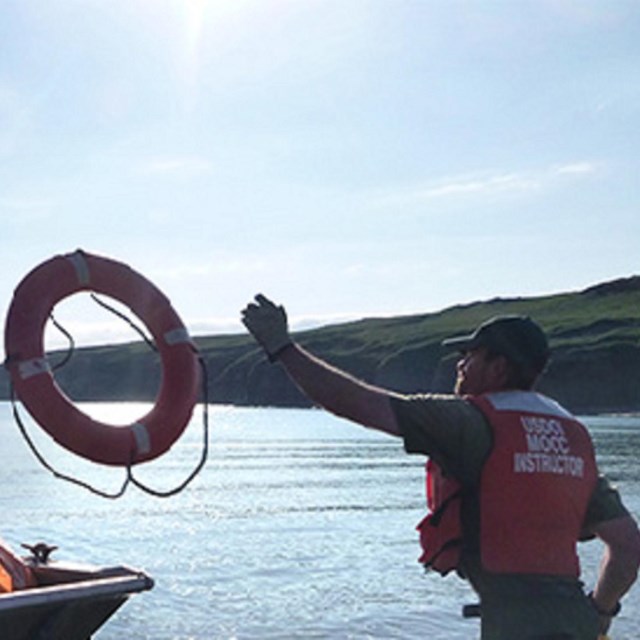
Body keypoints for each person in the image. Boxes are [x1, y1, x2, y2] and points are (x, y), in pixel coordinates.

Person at [241, 294, 640, 640]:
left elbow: (360, 403)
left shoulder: (468, 421)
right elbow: (625, 545)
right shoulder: (572, 435)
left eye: (470, 355)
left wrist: (283, 348)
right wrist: (601, 611)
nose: (460, 365)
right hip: (575, 623)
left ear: (499, 367)